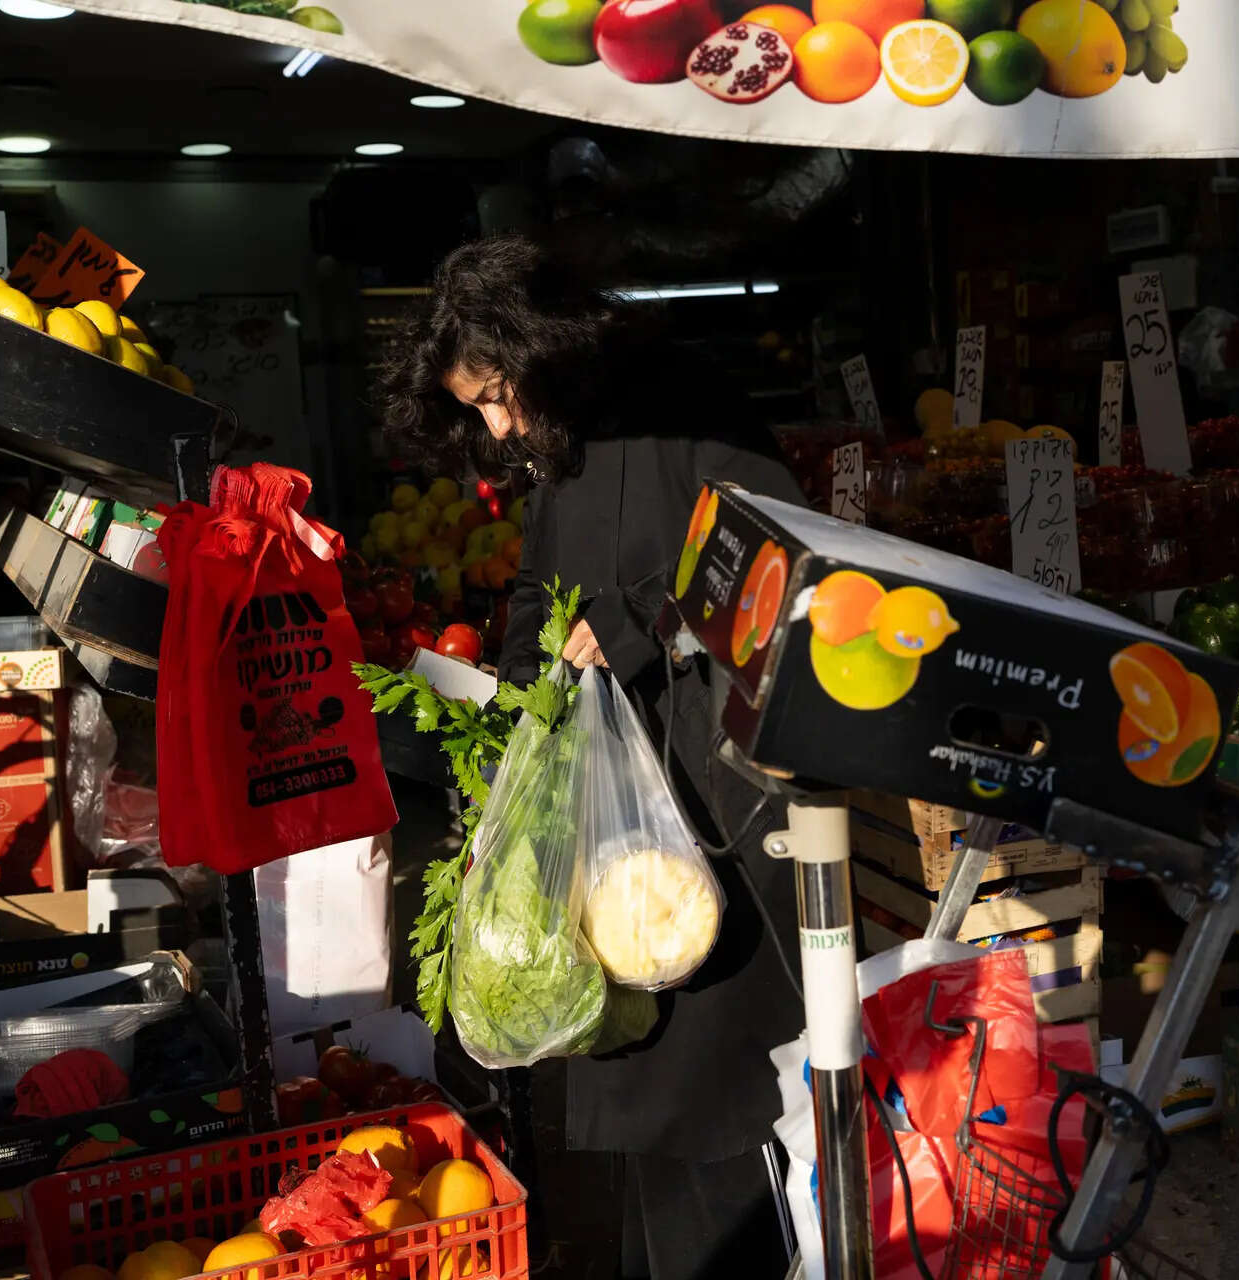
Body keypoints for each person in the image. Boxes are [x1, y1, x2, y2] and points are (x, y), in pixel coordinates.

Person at [383, 235, 807, 1280]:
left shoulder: (689, 399)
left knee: (712, 1106)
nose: (496, 423)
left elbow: (772, 553)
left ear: (544, 346)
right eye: (476, 407)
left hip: (716, 810)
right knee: (643, 1110)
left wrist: (636, 626)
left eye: (495, 394)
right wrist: (520, 693)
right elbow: (537, 584)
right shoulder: (564, 440)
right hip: (617, 818)